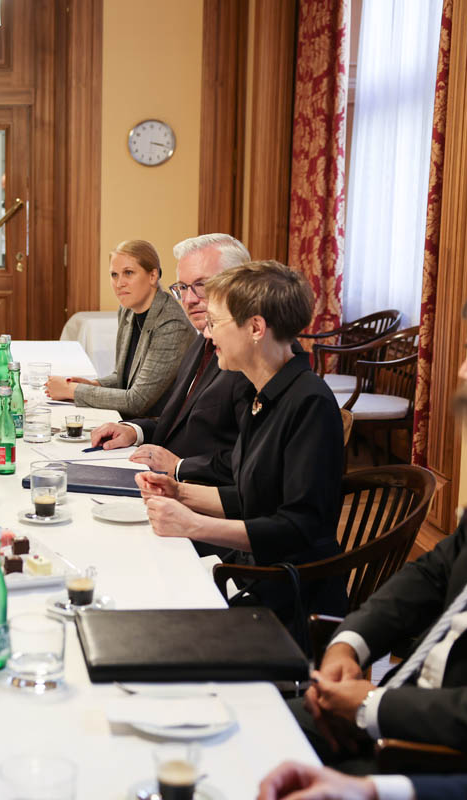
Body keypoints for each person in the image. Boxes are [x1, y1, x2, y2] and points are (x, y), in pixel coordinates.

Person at [292, 264, 467, 771]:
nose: (460, 371)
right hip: (395, 709)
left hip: (446, 758)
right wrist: (350, 645)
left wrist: (373, 709)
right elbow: (433, 570)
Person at [136, 260, 346, 621]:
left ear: (255, 328)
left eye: (216, 323)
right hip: (254, 572)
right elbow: (252, 497)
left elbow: (298, 527)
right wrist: (178, 492)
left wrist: (193, 524)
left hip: (289, 595)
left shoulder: (308, 404)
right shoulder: (261, 393)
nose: (207, 334)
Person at [89, 233, 253, 484]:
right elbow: (179, 424)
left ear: (239, 283)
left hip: (200, 495)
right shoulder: (202, 340)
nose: (188, 299)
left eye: (202, 285)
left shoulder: (251, 357)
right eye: (183, 287)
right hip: (164, 478)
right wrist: (135, 431)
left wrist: (179, 467)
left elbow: (247, 461)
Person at [46, 239, 195, 417]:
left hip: (157, 427)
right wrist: (94, 385)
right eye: (114, 275)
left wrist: (73, 391)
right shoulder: (127, 310)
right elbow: (123, 376)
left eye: (128, 273)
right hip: (132, 420)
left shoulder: (171, 324)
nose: (119, 283)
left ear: (153, 276)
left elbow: (137, 401)